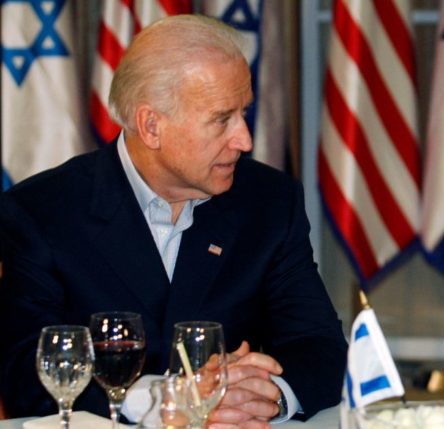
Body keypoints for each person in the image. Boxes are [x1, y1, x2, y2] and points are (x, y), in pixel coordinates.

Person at [0, 15, 347, 426]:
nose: (245, 140)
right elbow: (24, 373)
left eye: (244, 113)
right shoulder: (42, 212)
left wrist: (263, 397)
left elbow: (319, 345)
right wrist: (160, 401)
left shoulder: (270, 202)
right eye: (222, 119)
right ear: (151, 126)